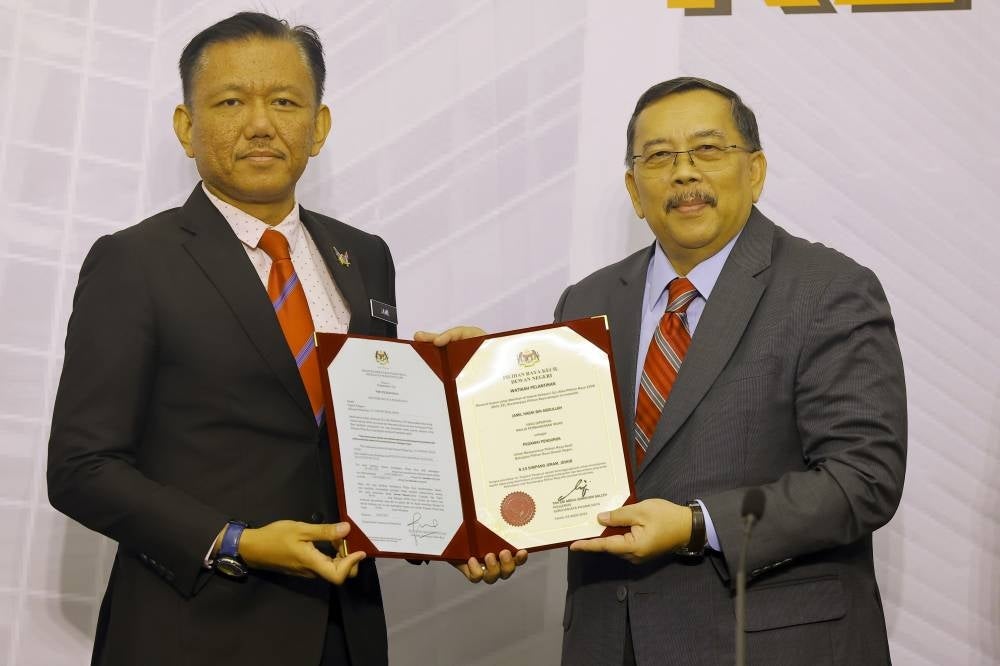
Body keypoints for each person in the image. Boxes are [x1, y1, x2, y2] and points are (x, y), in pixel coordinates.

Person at [47, 12, 521, 666]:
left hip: (342, 632)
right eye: (231, 101)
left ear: (319, 127)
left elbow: (363, 449)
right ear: (187, 127)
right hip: (190, 631)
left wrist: (459, 512)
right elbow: (81, 469)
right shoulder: (134, 261)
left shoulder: (365, 256)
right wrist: (236, 541)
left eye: (285, 101)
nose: (262, 123)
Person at [424, 77, 906, 665]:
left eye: (707, 150)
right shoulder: (588, 299)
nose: (683, 173)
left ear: (755, 171)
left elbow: (863, 480)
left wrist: (697, 525)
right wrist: (480, 385)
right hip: (609, 642)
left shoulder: (827, 289)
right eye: (658, 157)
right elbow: (556, 464)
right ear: (633, 188)